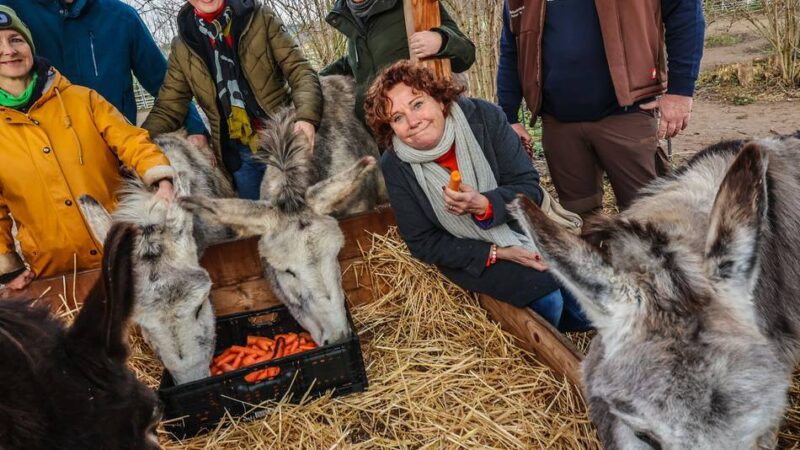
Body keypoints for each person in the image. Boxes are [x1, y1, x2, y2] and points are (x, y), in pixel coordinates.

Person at [365, 61, 589, 331]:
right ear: (390, 128)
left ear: (439, 99)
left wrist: (486, 204)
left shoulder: (484, 117)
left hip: (518, 225)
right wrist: (499, 252)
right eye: (397, 117)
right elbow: (422, 242)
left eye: (417, 104)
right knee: (548, 298)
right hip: (470, 251)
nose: (413, 122)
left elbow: (527, 185)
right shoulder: (395, 164)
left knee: (585, 301)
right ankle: (548, 347)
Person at [0, 6, 175, 291]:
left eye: (16, 39)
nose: (9, 50)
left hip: (123, 253)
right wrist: (6, 267)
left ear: (30, 44)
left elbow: (133, 141)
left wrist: (161, 178)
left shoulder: (83, 101)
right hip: (58, 274)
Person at [497, 0, 704, 215]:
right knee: (578, 218)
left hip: (627, 115)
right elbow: (512, 48)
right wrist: (508, 117)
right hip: (558, 124)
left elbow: (685, 11)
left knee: (648, 217)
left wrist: (680, 91)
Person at [143, 0, 322, 200]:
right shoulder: (183, 46)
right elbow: (169, 106)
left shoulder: (260, 17)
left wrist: (307, 116)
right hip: (239, 155)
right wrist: (138, 143)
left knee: (299, 216)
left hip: (282, 143)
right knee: (257, 222)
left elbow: (300, 70)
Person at [0, 0, 209, 147]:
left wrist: (195, 128)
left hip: (116, 148)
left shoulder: (120, 16)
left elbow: (162, 81)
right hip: (47, 151)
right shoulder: (12, 12)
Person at [321, 0, 475, 122]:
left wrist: (441, 40)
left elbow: (466, 53)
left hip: (420, 122)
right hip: (381, 130)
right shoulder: (347, 14)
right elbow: (359, 63)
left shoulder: (410, 4)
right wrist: (312, 79)